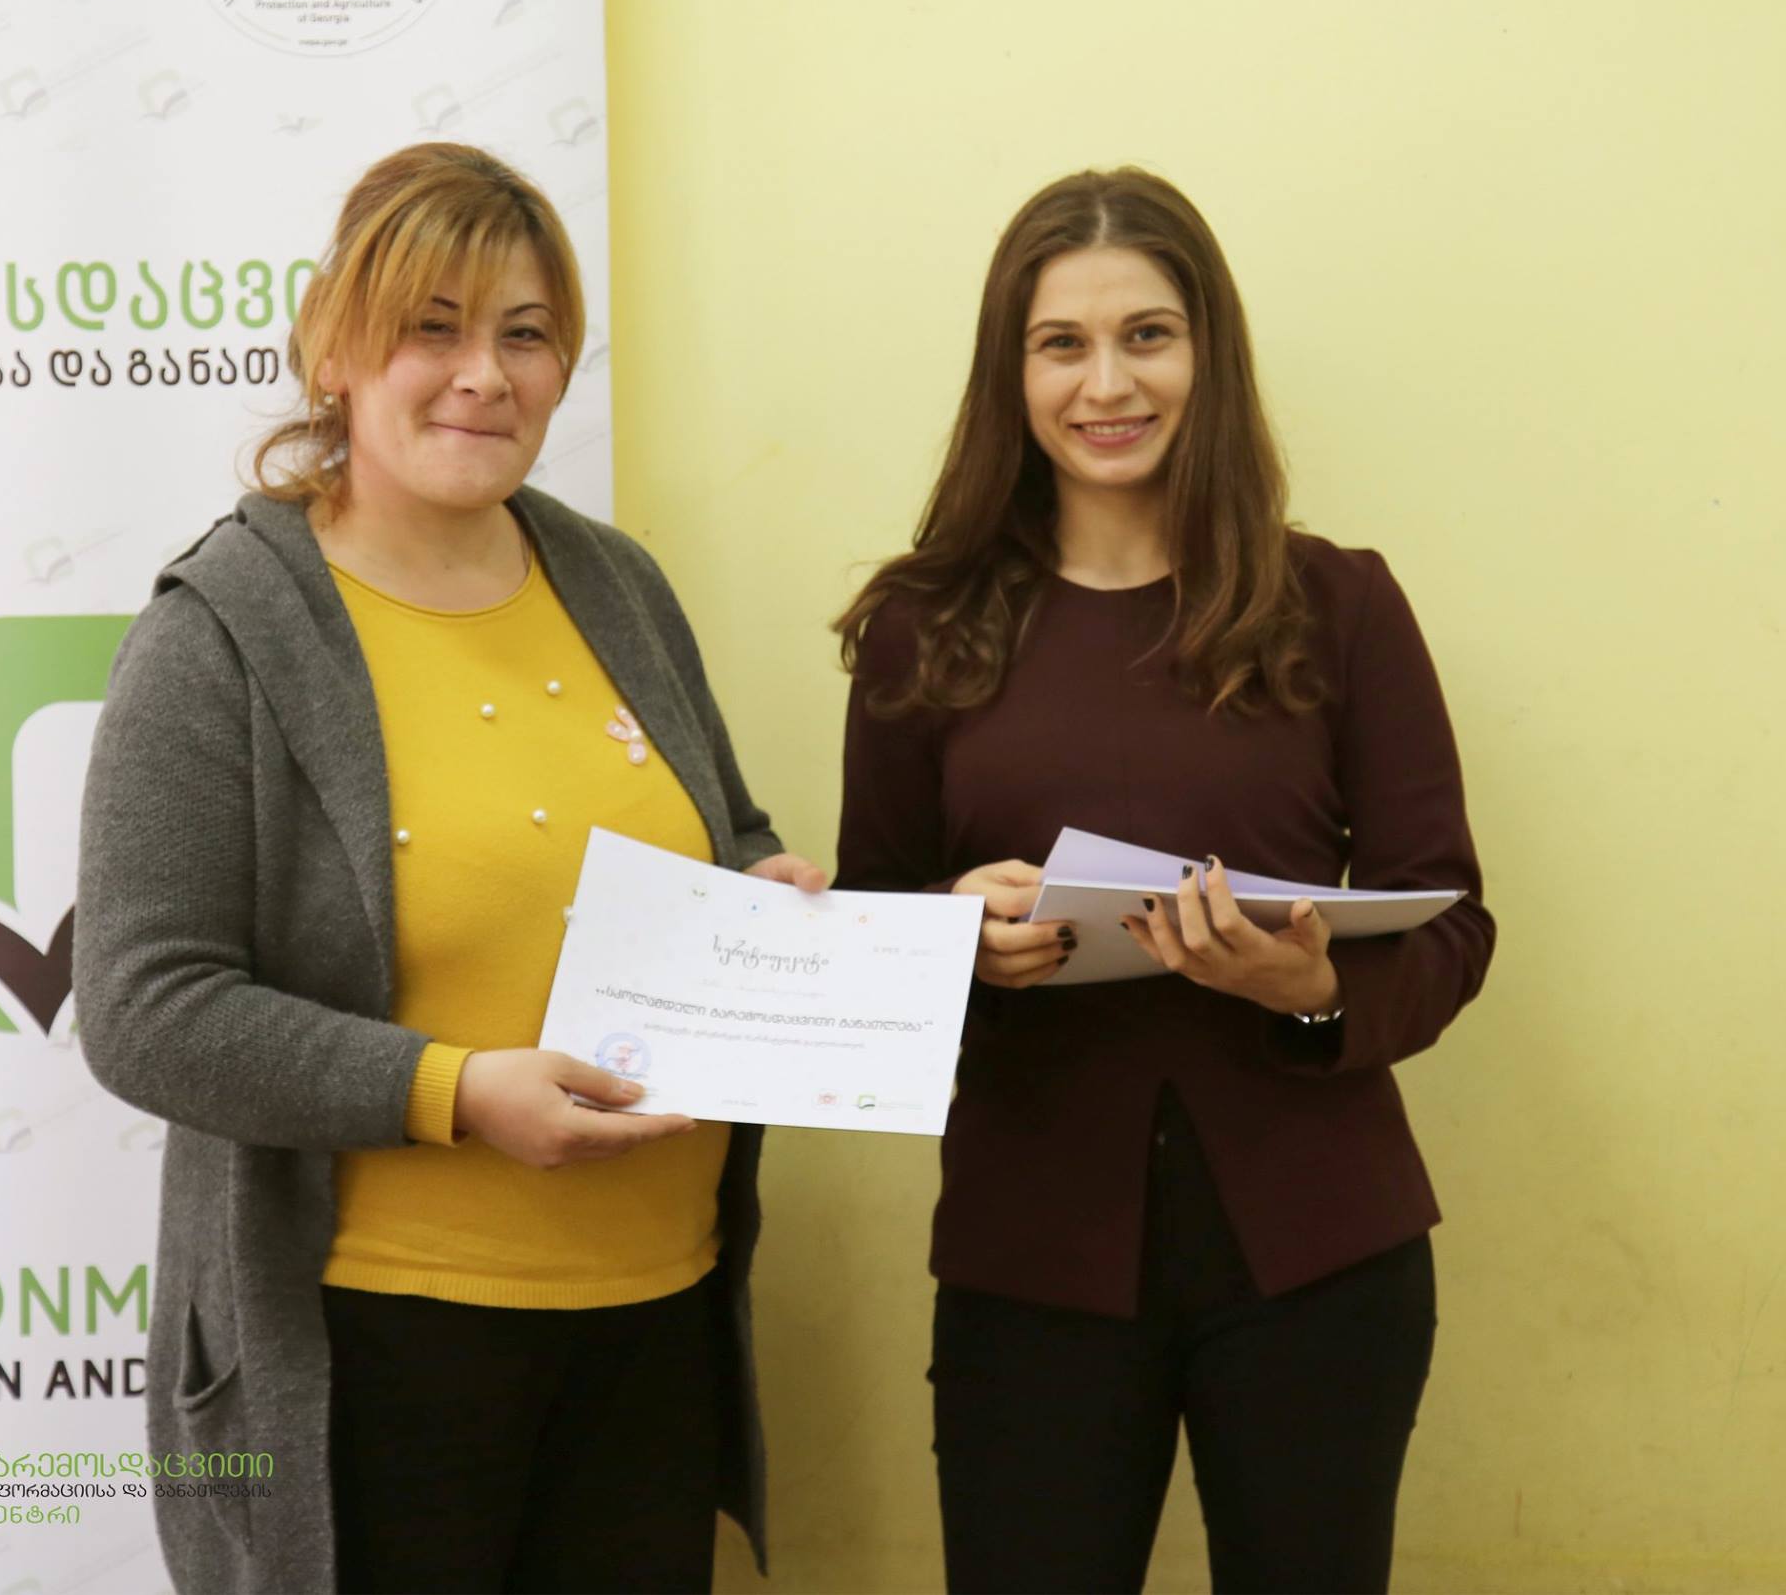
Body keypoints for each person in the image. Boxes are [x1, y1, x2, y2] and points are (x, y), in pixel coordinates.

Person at [75, 142, 822, 1595]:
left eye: (525, 335)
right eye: (434, 327)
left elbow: (718, 827)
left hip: (653, 1325)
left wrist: (762, 892)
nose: (485, 374)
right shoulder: (220, 636)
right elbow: (145, 1008)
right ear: (334, 348)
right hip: (376, 1350)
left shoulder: (614, 583)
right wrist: (455, 1093)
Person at [834, 168, 1495, 1595]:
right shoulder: (920, 627)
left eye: (1147, 335)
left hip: (1320, 1252)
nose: (1107, 384)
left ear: (1210, 353)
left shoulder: (1341, 605)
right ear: (1010, 374)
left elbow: (1451, 920)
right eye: (1060, 344)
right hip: (1031, 1258)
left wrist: (1314, 987)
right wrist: (954, 940)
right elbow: (868, 929)